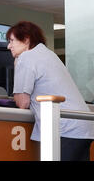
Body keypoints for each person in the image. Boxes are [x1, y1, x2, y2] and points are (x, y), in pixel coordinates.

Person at [7, 21, 94, 161]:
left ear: (26, 39)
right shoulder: (49, 54)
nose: (8, 46)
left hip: (64, 128)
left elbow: (22, 102)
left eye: (12, 40)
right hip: (83, 127)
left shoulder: (27, 57)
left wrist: (17, 63)